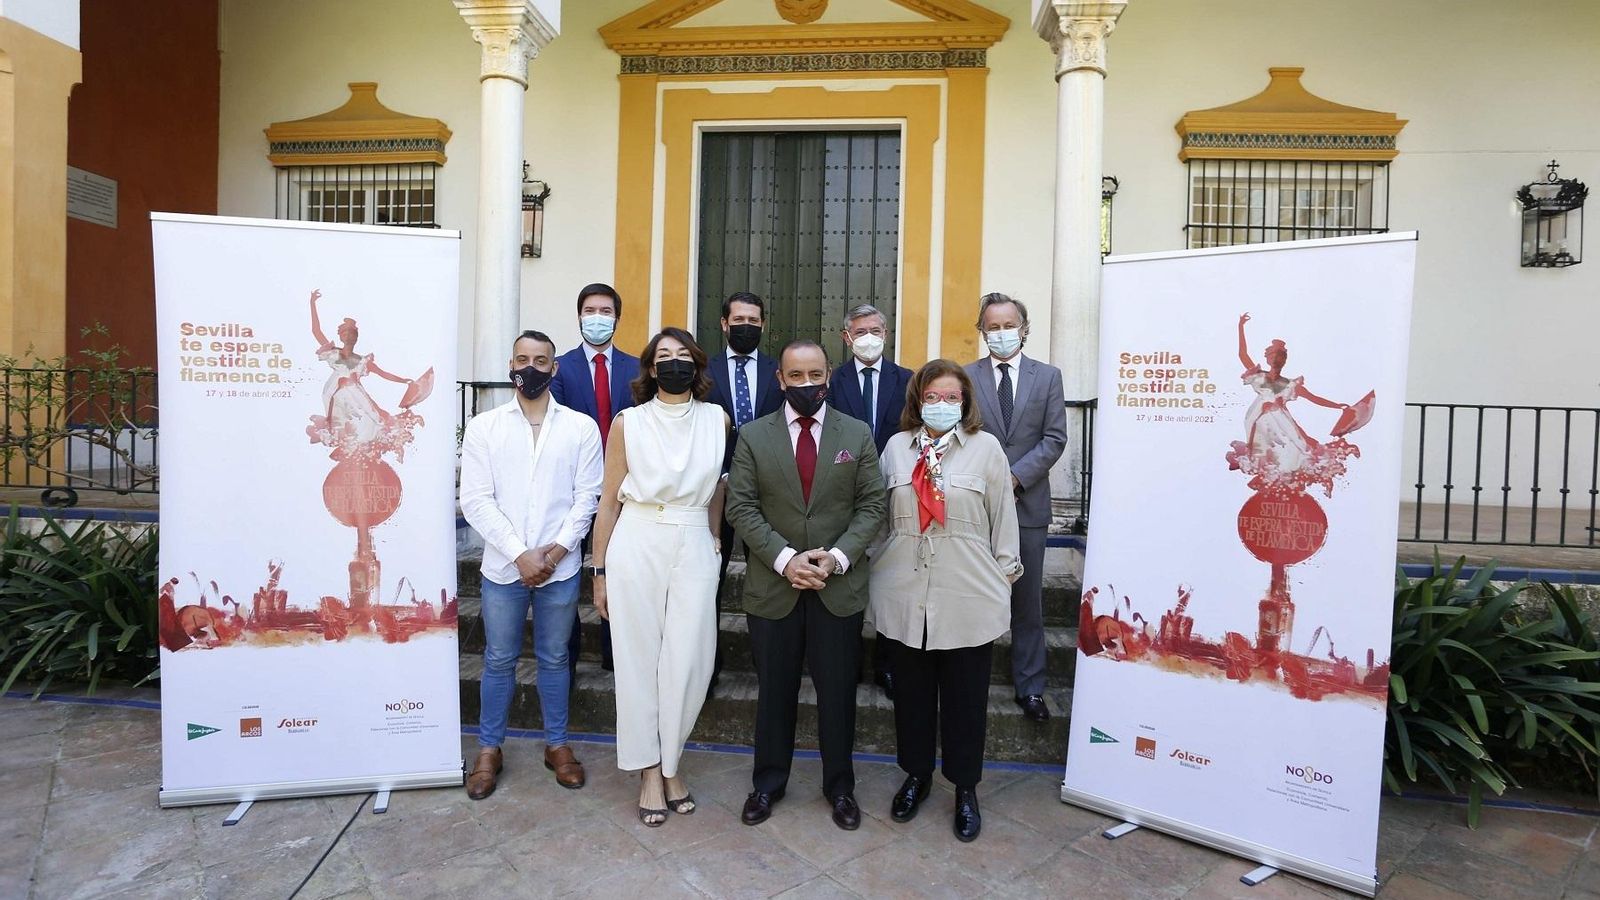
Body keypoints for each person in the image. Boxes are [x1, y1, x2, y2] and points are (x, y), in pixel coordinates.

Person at [726, 341, 886, 832]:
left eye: (815, 374)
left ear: (829, 375)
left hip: (837, 588)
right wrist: (786, 559)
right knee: (775, 692)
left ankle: (840, 787)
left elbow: (872, 506)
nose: (806, 384)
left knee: (838, 693)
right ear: (780, 379)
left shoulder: (856, 434)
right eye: (796, 376)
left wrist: (835, 559)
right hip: (775, 588)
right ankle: (768, 783)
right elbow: (741, 507)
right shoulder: (753, 435)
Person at [871, 359, 1021, 842]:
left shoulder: (986, 449)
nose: (941, 405)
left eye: (951, 397)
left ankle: (965, 788)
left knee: (965, 702)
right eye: (931, 397)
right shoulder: (896, 449)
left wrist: (1003, 579)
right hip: (905, 595)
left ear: (966, 402)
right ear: (918, 400)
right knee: (911, 699)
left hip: (967, 596)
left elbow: (1004, 519)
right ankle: (915, 775)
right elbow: (878, 521)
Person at [589, 327, 729, 827]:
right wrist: (599, 569)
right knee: (638, 659)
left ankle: (673, 757)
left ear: (697, 364)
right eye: (663, 356)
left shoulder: (718, 419)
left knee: (690, 660)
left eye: (682, 355)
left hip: (693, 540)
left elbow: (717, 490)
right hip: (638, 536)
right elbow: (608, 500)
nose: (674, 363)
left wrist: (712, 540)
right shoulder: (629, 422)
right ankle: (652, 770)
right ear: (650, 369)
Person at [458, 330, 603, 800]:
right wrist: (520, 553)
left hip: (558, 569)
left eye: (542, 360)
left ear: (555, 368)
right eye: (523, 359)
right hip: (504, 569)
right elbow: (476, 500)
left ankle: (557, 745)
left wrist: (555, 552)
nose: (532, 368)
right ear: (510, 366)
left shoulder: (580, 428)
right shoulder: (485, 427)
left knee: (555, 658)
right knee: (498, 659)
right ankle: (488, 750)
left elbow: (587, 498)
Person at [964, 293, 1067, 723]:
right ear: (982, 330)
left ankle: (1030, 688)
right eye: (993, 326)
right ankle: (968, 683)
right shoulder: (966, 377)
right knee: (972, 598)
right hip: (975, 509)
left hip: (1027, 506)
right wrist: (988, 479)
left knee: (1026, 603)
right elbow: (961, 431)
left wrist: (1015, 476)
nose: (1001, 333)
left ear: (1024, 328)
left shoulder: (1048, 377)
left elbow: (1054, 438)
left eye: (1009, 325)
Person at [551, 283, 640, 675]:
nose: (598, 317)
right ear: (579, 316)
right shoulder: (560, 368)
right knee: (569, 572)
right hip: (573, 490)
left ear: (617, 318)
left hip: (623, 490)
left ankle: (612, 654)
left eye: (606, 310)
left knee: (616, 571)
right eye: (590, 310)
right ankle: (566, 659)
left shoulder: (637, 367)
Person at [826, 303, 912, 699]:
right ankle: (846, 665)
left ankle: (889, 666)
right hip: (844, 500)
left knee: (893, 586)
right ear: (846, 338)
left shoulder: (908, 381)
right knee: (847, 585)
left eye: (875, 330)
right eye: (860, 332)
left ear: (887, 333)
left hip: (897, 502)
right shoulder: (831, 382)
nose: (868, 338)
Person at [704, 291, 783, 697]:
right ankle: (707, 665)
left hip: (766, 493)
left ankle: (767, 665)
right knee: (708, 581)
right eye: (739, 319)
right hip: (712, 490)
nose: (746, 326)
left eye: (754, 319)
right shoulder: (704, 370)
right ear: (724, 323)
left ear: (763, 324)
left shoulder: (777, 371)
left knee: (767, 580)